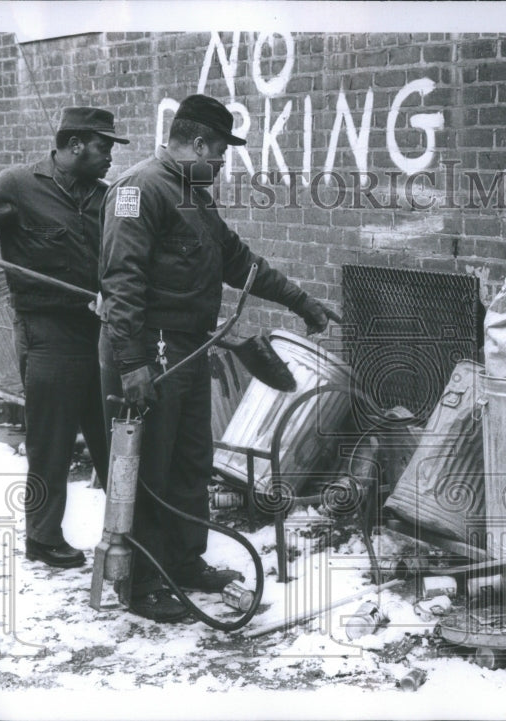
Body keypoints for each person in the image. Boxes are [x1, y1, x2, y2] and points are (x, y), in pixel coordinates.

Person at [99, 94, 341, 623]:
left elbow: (239, 261)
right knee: (151, 468)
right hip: (150, 348)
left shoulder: (192, 195)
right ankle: (141, 583)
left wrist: (304, 303)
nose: (223, 165)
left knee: (189, 462)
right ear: (199, 144)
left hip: (187, 349)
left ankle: (185, 562)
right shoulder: (139, 190)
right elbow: (121, 285)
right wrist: (132, 363)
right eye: (221, 154)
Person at [0, 107, 129, 569]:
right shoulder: (18, 184)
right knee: (51, 440)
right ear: (75, 144)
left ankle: (125, 534)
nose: (110, 156)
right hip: (46, 331)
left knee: (112, 436)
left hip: (101, 330)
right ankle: (42, 537)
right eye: (104, 146)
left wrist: (113, 292)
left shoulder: (108, 197)